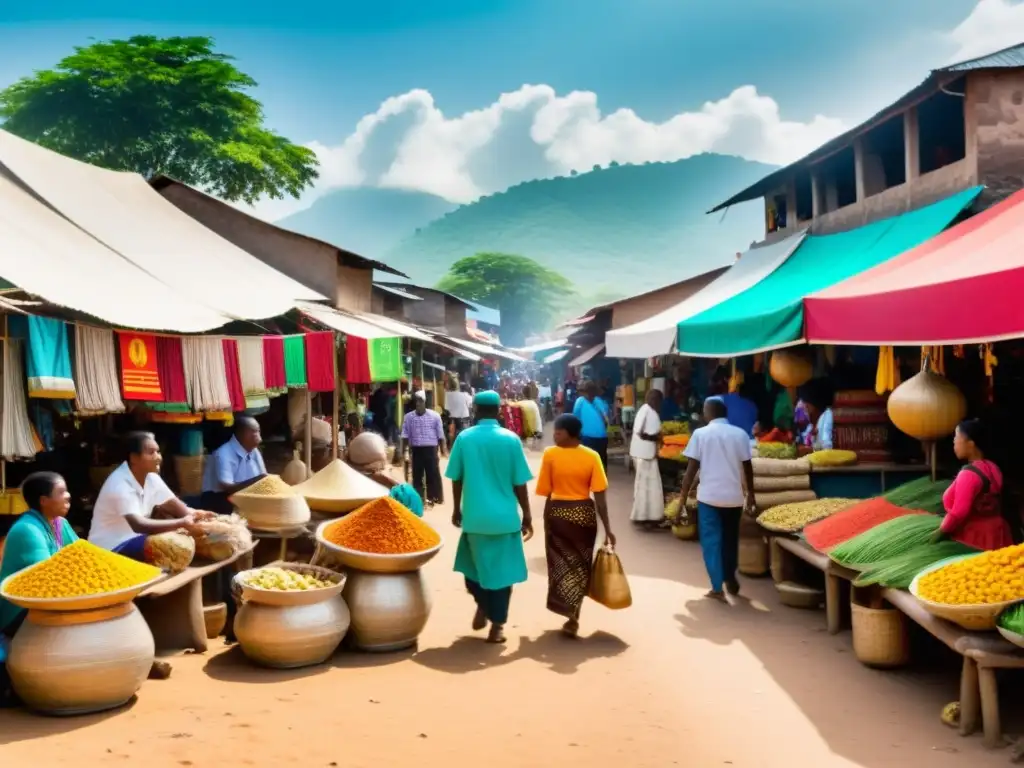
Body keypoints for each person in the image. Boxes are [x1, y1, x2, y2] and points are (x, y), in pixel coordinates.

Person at [447, 390, 533, 643]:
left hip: (476, 518)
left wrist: (456, 508)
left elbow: (457, 478)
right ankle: (497, 625)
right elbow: (520, 483)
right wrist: (527, 515)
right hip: (505, 520)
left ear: (474, 410)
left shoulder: (464, 439)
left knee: (471, 570)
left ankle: (483, 603)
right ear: (498, 411)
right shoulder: (511, 440)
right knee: (503, 576)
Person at [535, 414, 614, 637]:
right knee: (580, 566)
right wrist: (607, 529)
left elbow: (548, 493)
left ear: (570, 434)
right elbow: (600, 498)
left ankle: (569, 613)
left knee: (560, 565)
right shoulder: (592, 456)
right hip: (583, 516)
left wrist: (546, 520)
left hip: (559, 515)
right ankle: (574, 614)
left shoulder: (550, 455)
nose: (554, 435)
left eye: (558, 432)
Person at [672, 398, 755, 601]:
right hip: (733, 498)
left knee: (711, 542)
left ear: (709, 412)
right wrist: (751, 494)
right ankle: (729, 575)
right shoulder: (741, 434)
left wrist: (682, 498)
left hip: (709, 497)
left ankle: (717, 587)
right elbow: (747, 467)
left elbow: (691, 469)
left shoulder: (701, 434)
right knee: (729, 539)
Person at [88, 432, 209, 560]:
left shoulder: (152, 477)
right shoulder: (119, 483)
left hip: (136, 539)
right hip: (110, 547)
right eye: (151, 452)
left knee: (193, 537)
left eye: (158, 452)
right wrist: (181, 523)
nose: (158, 457)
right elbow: (138, 525)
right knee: (174, 547)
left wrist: (198, 514)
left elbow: (180, 509)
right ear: (134, 458)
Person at [0, 473, 77, 651]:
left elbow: (82, 556)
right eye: (61, 492)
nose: (68, 496)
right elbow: (47, 577)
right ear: (44, 500)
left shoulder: (60, 524)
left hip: (45, 601)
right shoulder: (26, 529)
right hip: (19, 611)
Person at [935, 419, 1013, 551]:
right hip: (998, 533)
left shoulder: (968, 475)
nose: (954, 442)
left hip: (975, 537)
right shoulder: (992, 467)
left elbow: (959, 513)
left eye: (957, 437)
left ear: (971, 443)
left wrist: (938, 534)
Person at [199, 416, 267, 514]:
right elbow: (227, 487)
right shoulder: (223, 453)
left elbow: (263, 478)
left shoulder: (255, 451)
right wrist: (258, 480)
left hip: (244, 494)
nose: (257, 435)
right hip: (219, 497)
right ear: (239, 433)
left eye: (258, 431)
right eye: (252, 431)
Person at [401, 392, 446, 506]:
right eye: (416, 401)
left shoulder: (435, 416)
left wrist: (442, 450)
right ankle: (418, 498)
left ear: (425, 402)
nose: (418, 403)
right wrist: (404, 451)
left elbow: (440, 434)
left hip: (431, 449)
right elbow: (405, 435)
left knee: (433, 473)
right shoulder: (408, 417)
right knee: (417, 475)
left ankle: (434, 497)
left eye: (420, 401)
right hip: (416, 449)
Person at [629, 389, 664, 528]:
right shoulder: (646, 411)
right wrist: (657, 438)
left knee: (648, 487)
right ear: (653, 400)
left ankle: (648, 516)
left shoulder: (647, 410)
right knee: (647, 487)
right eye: (658, 401)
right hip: (644, 455)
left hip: (645, 454)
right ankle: (644, 516)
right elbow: (640, 432)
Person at [573, 380, 610, 469]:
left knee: (588, 462)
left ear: (584, 391)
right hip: (602, 437)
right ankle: (601, 479)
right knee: (601, 461)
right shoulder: (600, 401)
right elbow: (607, 415)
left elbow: (575, 418)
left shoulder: (580, 401)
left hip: (587, 437)